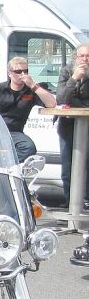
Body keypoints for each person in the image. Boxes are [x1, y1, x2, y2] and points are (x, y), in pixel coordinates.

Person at [0, 56, 56, 161]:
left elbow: (51, 104)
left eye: (25, 71)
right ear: (9, 74)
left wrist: (33, 85)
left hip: (14, 133)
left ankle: (8, 165)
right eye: (18, 71)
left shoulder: (30, 91)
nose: (22, 74)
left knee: (29, 148)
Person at [56, 43, 89, 211]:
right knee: (68, 165)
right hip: (68, 124)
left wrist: (76, 103)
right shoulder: (67, 71)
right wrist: (74, 79)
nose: (84, 60)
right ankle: (71, 203)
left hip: (87, 124)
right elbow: (61, 99)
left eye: (88, 56)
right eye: (81, 56)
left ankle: (86, 201)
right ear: (76, 57)